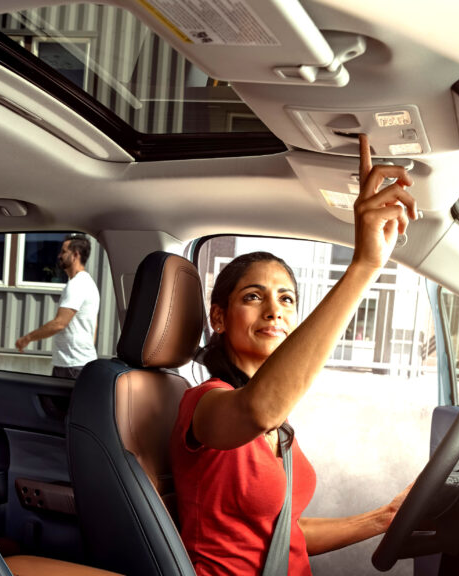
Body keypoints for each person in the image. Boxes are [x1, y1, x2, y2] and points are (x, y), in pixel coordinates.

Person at [170, 135, 417, 575]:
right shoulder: (204, 403)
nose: (275, 311)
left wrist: (383, 518)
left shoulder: (278, 425)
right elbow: (258, 408)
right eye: (253, 296)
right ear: (219, 318)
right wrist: (365, 265)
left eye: (286, 299)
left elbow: (284, 533)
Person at [15, 234, 100, 378]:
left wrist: (27, 338)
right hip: (78, 363)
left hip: (72, 365)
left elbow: (59, 323)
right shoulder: (88, 283)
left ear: (75, 255)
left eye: (63, 252)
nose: (59, 255)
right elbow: (94, 325)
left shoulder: (77, 285)